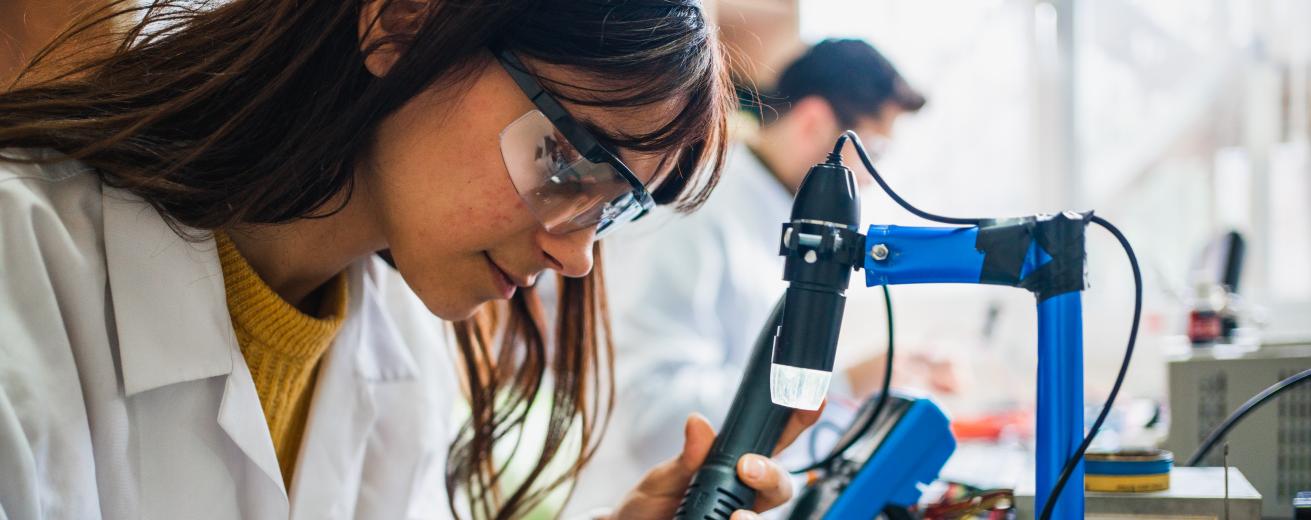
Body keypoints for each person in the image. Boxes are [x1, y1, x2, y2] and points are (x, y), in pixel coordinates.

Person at [0, 1, 819, 519]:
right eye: (571, 161)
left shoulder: (399, 352)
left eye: (613, 207)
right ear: (403, 24)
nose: (576, 257)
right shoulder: (21, 265)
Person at [572, 39, 929, 506]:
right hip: (640, 504)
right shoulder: (695, 210)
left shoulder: (770, 213)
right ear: (814, 123)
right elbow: (653, 414)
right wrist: (839, 382)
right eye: (874, 152)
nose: (867, 180)